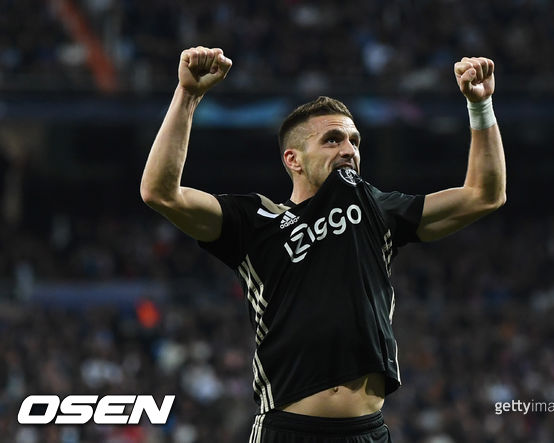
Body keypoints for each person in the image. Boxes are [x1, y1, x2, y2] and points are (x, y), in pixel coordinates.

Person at [140, 46, 506, 442]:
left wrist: (480, 106)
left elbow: (484, 195)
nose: (349, 150)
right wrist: (188, 95)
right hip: (289, 432)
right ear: (294, 160)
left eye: (354, 141)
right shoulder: (254, 220)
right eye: (332, 140)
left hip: (368, 432)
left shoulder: (376, 208)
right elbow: (160, 193)